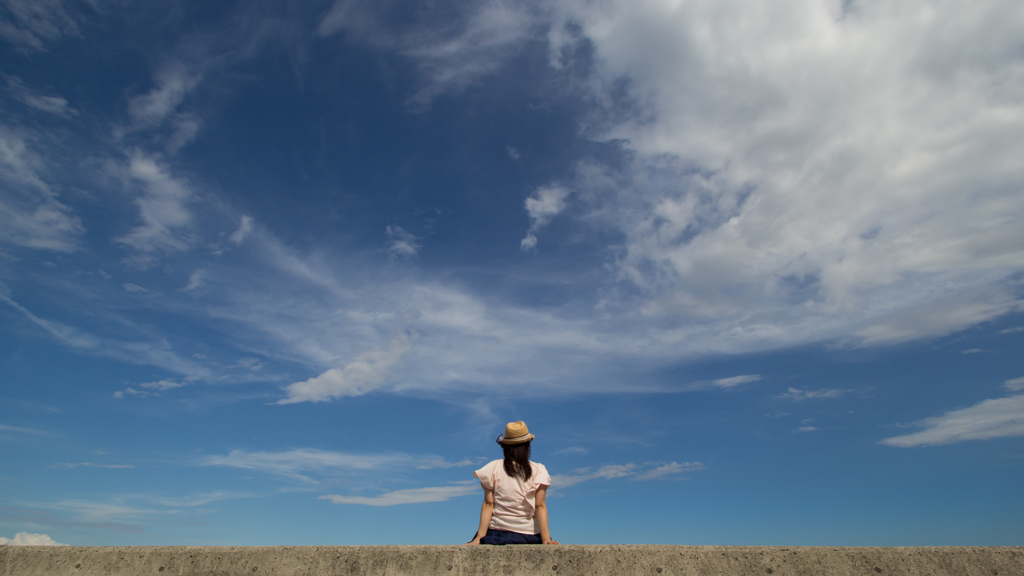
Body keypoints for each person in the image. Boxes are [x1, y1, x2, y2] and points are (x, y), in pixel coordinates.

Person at [465, 421, 560, 545]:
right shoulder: (539, 470)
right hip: (529, 535)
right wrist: (546, 539)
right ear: (527, 445)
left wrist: (479, 537)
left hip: (497, 533)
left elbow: (488, 504)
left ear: (505, 446)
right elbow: (539, 506)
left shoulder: (493, 468)